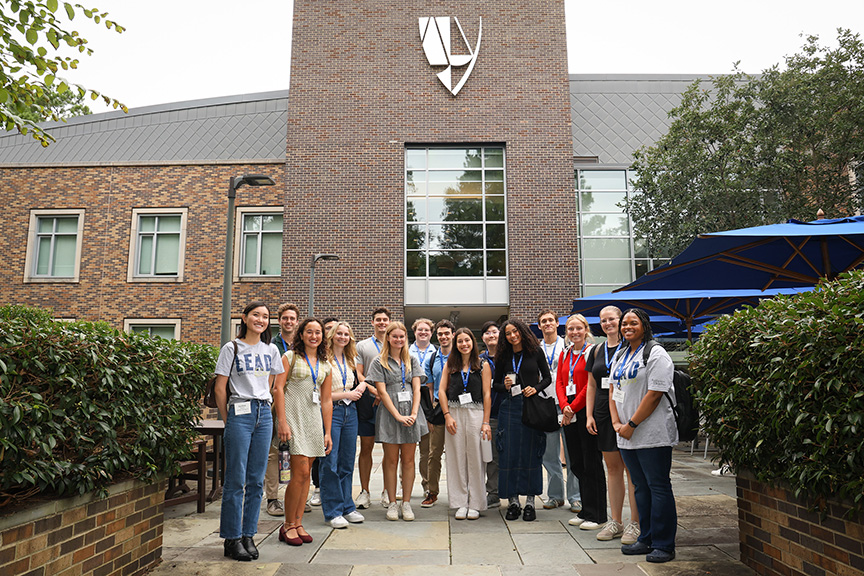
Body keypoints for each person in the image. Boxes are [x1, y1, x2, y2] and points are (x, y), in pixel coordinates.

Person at [215, 301, 286, 562]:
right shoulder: (231, 347)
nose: (261, 319)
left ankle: (248, 534)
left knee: (256, 480)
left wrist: (263, 399)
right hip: (239, 412)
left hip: (263, 414)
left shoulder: (271, 350)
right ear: (244, 318)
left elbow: (273, 382)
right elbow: (220, 388)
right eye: (256, 315)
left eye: (266, 316)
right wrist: (228, 419)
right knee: (236, 479)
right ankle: (231, 538)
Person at [610, 308, 678, 563]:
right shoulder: (620, 354)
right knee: (640, 488)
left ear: (644, 326)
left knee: (658, 487)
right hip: (626, 435)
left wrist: (631, 424)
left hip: (653, 434)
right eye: (624, 323)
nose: (627, 327)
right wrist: (617, 422)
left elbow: (655, 394)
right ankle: (646, 538)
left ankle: (664, 543)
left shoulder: (656, 353)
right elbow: (612, 389)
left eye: (633, 323)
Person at [585, 306, 640, 543]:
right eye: (603, 320)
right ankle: (615, 521)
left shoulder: (631, 347)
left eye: (612, 319)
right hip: (602, 412)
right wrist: (589, 415)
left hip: (626, 409)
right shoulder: (596, 350)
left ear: (621, 320)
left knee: (632, 469)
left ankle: (635, 524)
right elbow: (591, 386)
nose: (608, 323)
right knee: (613, 468)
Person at [278, 318, 333, 547]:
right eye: (309, 332)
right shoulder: (290, 357)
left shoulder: (325, 364)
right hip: (292, 417)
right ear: (301, 335)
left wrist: (327, 432)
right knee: (299, 472)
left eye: (318, 332)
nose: (314, 336)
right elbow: (278, 388)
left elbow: (327, 400)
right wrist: (282, 422)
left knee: (307, 474)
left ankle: (299, 523)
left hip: (312, 421)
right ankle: (287, 525)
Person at [367, 321, 428, 521]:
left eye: (402, 337)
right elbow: (382, 392)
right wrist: (398, 416)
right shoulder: (379, 362)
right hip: (390, 413)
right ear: (388, 338)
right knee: (391, 460)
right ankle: (392, 503)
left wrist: (412, 413)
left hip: (411, 412)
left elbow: (417, 388)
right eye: (395, 336)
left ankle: (407, 503)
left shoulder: (411, 359)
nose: (399, 340)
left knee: (409, 460)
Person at [493, 319, 552, 522]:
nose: (512, 336)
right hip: (509, 409)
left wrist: (535, 388)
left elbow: (547, 378)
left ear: (522, 331)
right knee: (509, 454)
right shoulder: (503, 355)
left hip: (531, 408)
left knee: (530, 454)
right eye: (508, 333)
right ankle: (513, 502)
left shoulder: (535, 352)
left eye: (515, 331)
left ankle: (529, 502)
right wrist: (505, 386)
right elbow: (496, 384)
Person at [556, 314, 607, 531]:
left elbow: (590, 385)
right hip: (569, 413)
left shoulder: (592, 352)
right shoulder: (565, 353)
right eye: (570, 329)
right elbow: (559, 381)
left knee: (591, 464)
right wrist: (564, 405)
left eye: (578, 328)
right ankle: (585, 510)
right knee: (576, 463)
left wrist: (573, 406)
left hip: (585, 413)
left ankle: (598, 514)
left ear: (586, 330)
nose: (574, 332)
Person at [439, 328, 492, 520]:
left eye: (467, 340)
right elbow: (442, 391)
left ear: (473, 342)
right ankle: (460, 502)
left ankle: (476, 503)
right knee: (455, 458)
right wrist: (447, 415)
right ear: (456, 343)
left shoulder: (483, 365)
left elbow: (487, 394)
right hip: (454, 413)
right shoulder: (450, 364)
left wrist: (486, 422)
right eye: (460, 341)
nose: (464, 344)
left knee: (476, 458)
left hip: (476, 413)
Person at [320, 321, 366, 528]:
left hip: (351, 411)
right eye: (339, 333)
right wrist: (347, 394)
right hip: (333, 411)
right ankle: (333, 511)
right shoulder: (323, 360)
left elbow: (356, 383)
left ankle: (347, 506)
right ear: (331, 335)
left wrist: (361, 386)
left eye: (346, 334)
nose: (342, 337)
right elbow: (320, 393)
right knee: (330, 462)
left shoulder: (350, 359)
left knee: (347, 462)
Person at [537, 309, 581, 512]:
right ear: (539, 326)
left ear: (557, 324)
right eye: (543, 321)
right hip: (545, 405)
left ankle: (575, 497)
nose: (547, 324)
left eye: (550, 321)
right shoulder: (536, 349)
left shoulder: (569, 346)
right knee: (549, 454)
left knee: (572, 452)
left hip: (567, 406)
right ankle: (555, 496)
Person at [354, 307, 391, 509]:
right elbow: (359, 374)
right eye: (378, 319)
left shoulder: (396, 342)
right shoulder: (362, 345)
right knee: (366, 448)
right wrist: (375, 391)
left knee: (389, 449)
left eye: (385, 319)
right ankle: (365, 491)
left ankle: (387, 490)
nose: (382, 323)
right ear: (372, 322)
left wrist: (385, 395)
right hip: (368, 401)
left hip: (389, 404)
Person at [265, 302, 299, 517]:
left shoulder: (301, 344)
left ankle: (295, 496)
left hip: (296, 402)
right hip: (274, 402)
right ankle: (272, 499)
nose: (288, 322)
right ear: (280, 321)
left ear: (297, 321)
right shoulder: (270, 344)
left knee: (297, 450)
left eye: (292, 319)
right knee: (273, 452)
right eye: (285, 318)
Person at [420, 319, 453, 508]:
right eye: (440, 334)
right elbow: (429, 389)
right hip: (438, 410)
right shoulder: (432, 358)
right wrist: (430, 414)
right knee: (434, 453)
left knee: (459, 454)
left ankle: (461, 492)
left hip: (457, 408)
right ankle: (432, 491)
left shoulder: (459, 356)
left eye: (446, 333)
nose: (443, 337)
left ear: (452, 335)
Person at [480, 321, 501, 508]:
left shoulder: (509, 356)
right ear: (483, 338)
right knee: (492, 455)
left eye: (494, 332)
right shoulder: (479, 360)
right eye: (487, 333)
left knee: (510, 453)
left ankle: (511, 493)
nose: (491, 335)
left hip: (510, 411)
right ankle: (493, 493)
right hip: (490, 413)